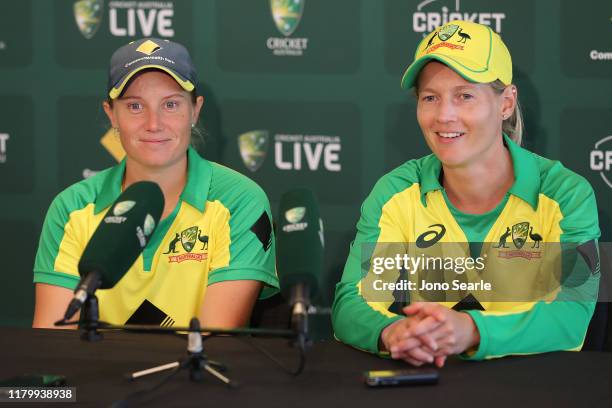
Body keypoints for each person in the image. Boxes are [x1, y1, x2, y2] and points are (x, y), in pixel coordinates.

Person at [332, 21, 600, 366]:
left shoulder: (566, 194)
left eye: (465, 96)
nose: (444, 115)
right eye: (430, 97)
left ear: (506, 103)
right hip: (432, 387)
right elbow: (351, 303)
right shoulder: (395, 192)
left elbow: (571, 318)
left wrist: (471, 331)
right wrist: (392, 332)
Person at [32, 38, 278, 329]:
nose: (153, 123)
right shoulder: (71, 209)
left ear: (195, 111)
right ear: (111, 114)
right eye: (135, 106)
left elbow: (215, 341)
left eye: (171, 104)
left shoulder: (240, 201)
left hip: (195, 373)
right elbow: (52, 343)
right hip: (99, 374)